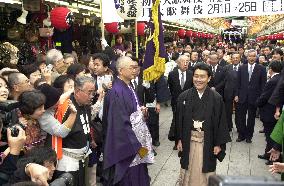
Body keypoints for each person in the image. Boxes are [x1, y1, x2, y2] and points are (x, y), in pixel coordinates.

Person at [176, 63, 231, 186]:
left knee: (206, 168)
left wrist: (218, 144)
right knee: (188, 166)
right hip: (188, 139)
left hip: (208, 141)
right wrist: (179, 139)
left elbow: (221, 122)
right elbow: (178, 120)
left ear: (209, 78)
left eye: (202, 76)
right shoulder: (184, 96)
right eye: (196, 76)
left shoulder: (216, 98)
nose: (198, 80)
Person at [103, 56, 154, 185]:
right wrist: (139, 148)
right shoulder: (116, 91)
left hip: (137, 140)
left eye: (136, 67)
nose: (135, 70)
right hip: (128, 147)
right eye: (131, 68)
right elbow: (120, 125)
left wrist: (141, 112)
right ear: (120, 70)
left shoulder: (128, 86)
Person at [234, 49, 267, 143]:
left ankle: (249, 136)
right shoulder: (242, 68)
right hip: (242, 96)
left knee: (251, 118)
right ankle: (241, 135)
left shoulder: (261, 68)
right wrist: (236, 95)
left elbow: (263, 85)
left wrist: (260, 97)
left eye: (253, 56)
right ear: (247, 57)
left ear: (256, 57)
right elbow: (238, 83)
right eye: (250, 56)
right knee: (241, 117)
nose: (251, 58)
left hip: (254, 97)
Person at [256, 61, 282, 163]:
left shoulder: (273, 81)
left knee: (270, 135)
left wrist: (257, 103)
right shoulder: (280, 78)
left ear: (270, 69)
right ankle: (267, 153)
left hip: (269, 112)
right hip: (274, 111)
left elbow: (265, 96)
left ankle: (272, 157)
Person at [168, 55, 193, 149]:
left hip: (188, 102)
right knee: (177, 122)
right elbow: (171, 88)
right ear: (178, 63)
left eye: (187, 61)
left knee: (187, 122)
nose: (186, 64)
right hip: (176, 102)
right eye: (183, 62)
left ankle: (186, 141)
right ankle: (176, 142)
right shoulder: (172, 74)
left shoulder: (191, 74)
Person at [223, 52, 241, 132]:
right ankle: (228, 126)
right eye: (234, 58)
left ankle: (239, 127)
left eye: (237, 58)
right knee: (228, 111)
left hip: (239, 93)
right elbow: (223, 80)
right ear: (231, 59)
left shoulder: (243, 68)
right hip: (228, 92)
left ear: (240, 58)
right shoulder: (226, 67)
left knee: (239, 112)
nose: (235, 59)